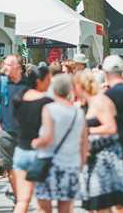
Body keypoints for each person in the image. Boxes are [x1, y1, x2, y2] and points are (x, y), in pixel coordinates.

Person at [73, 70, 123, 212]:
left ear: (80, 85)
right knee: (103, 204)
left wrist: (87, 130)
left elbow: (110, 127)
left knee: (113, 202)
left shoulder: (99, 101)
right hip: (97, 157)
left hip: (107, 157)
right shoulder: (89, 102)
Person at [32, 74, 87, 213]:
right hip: (71, 164)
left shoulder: (49, 109)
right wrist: (80, 164)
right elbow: (84, 143)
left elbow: (48, 137)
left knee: (44, 206)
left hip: (49, 163)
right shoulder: (78, 112)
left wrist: (35, 143)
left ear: (54, 90)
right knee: (66, 207)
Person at [12, 66, 53, 213]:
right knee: (43, 203)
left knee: (22, 200)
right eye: (48, 79)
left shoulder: (18, 98)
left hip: (21, 151)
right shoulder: (46, 102)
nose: (50, 82)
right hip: (39, 153)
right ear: (39, 81)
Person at [0, 54, 27, 202]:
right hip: (5, 132)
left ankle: (20, 196)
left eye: (8, 64)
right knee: (10, 167)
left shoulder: (28, 84)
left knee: (22, 167)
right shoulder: (1, 83)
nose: (4, 66)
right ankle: (19, 198)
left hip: (24, 133)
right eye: (4, 63)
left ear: (17, 67)